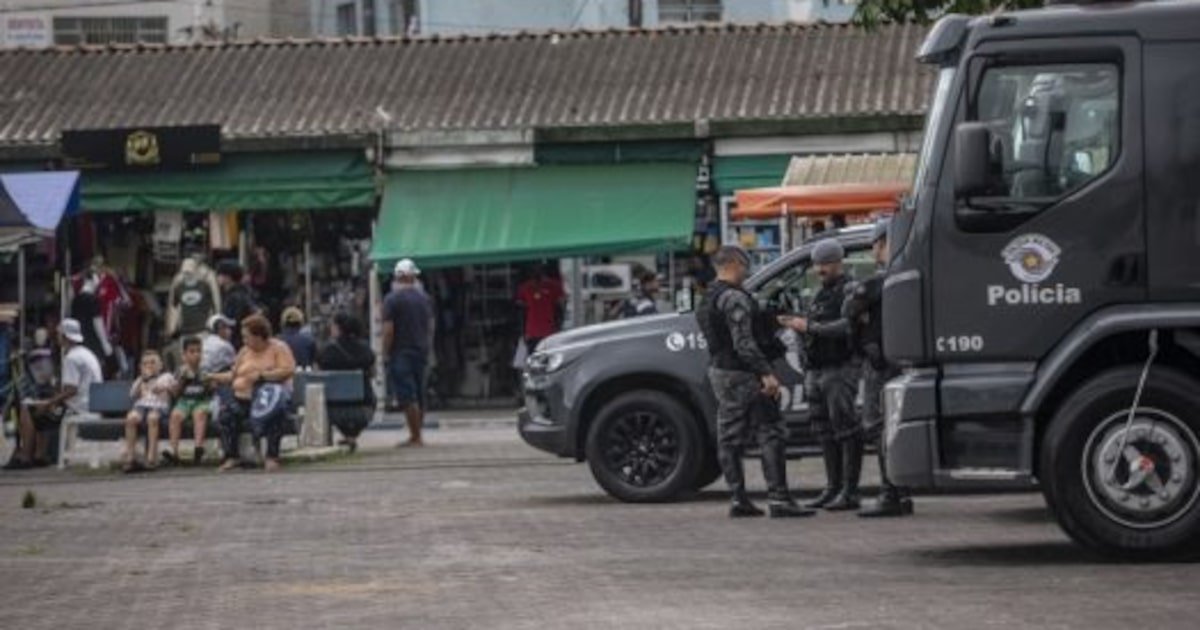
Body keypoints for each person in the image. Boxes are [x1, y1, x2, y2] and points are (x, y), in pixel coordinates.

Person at [696, 246, 814, 519]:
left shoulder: (707, 298)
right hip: (744, 374)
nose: (747, 271)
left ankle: (738, 499)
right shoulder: (734, 298)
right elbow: (744, 343)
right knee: (771, 431)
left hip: (720, 372)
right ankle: (779, 498)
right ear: (735, 263)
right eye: (745, 266)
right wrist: (766, 373)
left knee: (729, 437)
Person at [780, 239, 862, 511]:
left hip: (840, 368)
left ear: (838, 262)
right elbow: (810, 328)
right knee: (823, 431)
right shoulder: (819, 294)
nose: (820, 269)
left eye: (825, 263)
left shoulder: (850, 289)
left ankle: (849, 491)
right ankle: (833, 488)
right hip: (817, 370)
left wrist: (810, 327)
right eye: (817, 264)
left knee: (846, 429)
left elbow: (848, 327)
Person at [850, 220, 913, 518]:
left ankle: (890, 494)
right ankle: (901, 493)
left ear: (882, 243)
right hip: (904, 362)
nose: (874, 251)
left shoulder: (877, 283)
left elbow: (849, 311)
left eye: (876, 244)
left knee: (877, 426)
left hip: (881, 365)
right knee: (895, 426)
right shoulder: (909, 275)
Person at [5, 320, 103, 469]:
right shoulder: (86, 353)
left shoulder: (71, 358)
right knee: (41, 410)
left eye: (59, 334)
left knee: (28, 409)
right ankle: (40, 455)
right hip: (91, 404)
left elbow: (71, 390)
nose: (56, 337)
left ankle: (25, 456)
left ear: (65, 337)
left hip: (79, 408)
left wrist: (49, 403)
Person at [210, 314, 297, 472]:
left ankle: (272, 456)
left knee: (276, 417)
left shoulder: (278, 348)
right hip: (242, 397)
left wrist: (263, 375)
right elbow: (233, 375)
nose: (244, 341)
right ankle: (232, 456)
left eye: (246, 337)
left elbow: (288, 370)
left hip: (267, 398)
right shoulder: (244, 352)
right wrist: (212, 376)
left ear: (259, 336)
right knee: (226, 417)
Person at [383, 258, 434, 447]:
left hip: (401, 351)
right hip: (421, 350)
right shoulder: (424, 298)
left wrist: (385, 352)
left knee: (407, 395)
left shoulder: (391, 299)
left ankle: (416, 436)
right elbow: (430, 325)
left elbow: (389, 329)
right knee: (420, 394)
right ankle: (418, 433)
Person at [316, 312, 376, 453]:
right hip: (363, 408)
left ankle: (347, 436)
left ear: (338, 328)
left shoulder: (327, 351)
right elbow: (373, 372)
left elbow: (318, 372)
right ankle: (351, 436)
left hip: (333, 410)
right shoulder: (366, 350)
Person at [122, 350, 175, 472]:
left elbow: (173, 389)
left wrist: (164, 388)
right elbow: (132, 394)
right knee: (131, 418)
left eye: (153, 362)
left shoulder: (166, 377)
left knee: (152, 418)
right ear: (141, 367)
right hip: (141, 406)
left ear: (160, 365)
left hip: (159, 407)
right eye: (145, 364)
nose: (149, 366)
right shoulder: (140, 379)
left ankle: (151, 457)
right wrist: (142, 379)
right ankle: (130, 458)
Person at [164, 336, 213, 466]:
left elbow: (212, 389)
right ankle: (173, 450)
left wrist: (208, 381)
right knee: (175, 416)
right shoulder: (180, 371)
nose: (196, 354)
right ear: (184, 355)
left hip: (201, 400)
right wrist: (182, 380)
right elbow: (175, 393)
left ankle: (198, 448)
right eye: (192, 351)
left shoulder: (206, 369)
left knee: (200, 414)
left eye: (198, 351)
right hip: (184, 401)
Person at [516, 263, 564, 351]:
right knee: (536, 358)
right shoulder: (526, 288)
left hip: (547, 331)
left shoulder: (553, 286)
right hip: (534, 331)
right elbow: (521, 309)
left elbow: (560, 305)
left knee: (546, 358)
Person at [217, 261, 255, 348]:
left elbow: (232, 321)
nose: (218, 278)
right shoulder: (242, 293)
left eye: (220, 275)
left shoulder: (234, 297)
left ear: (228, 277)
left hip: (237, 342)